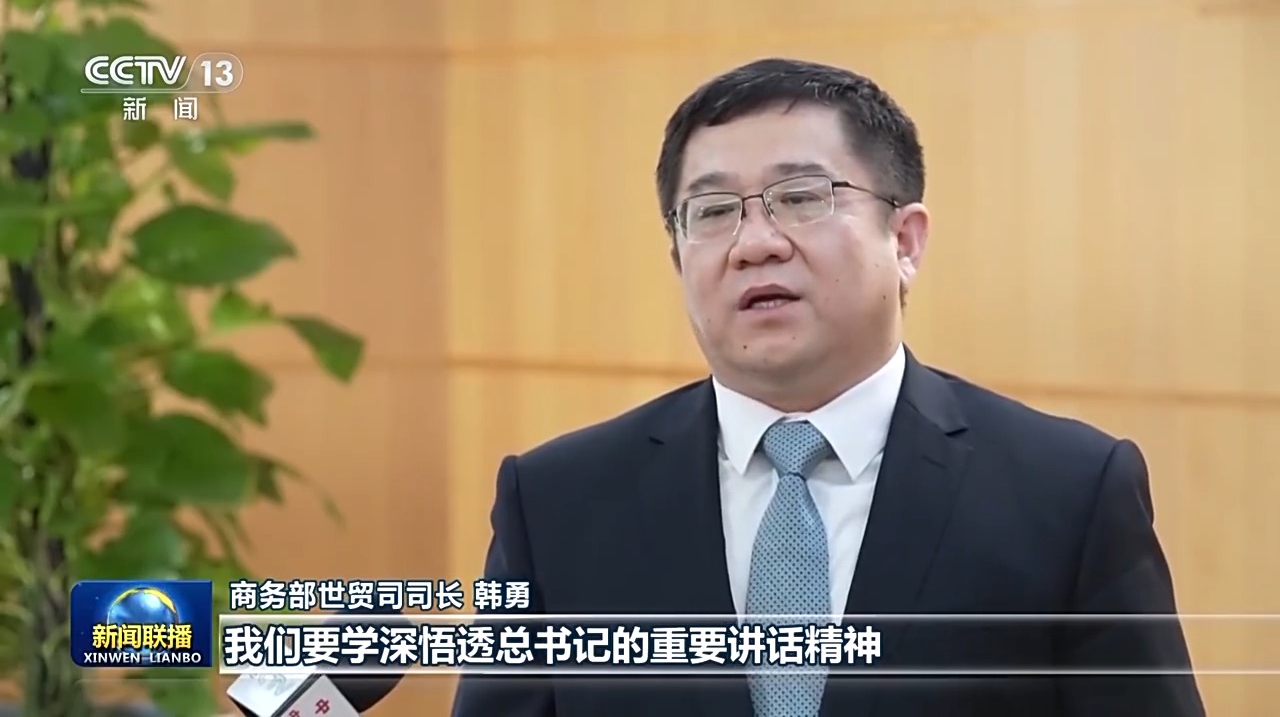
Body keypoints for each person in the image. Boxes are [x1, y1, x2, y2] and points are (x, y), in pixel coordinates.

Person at [451, 58, 1205, 717]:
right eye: (712, 213)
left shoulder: (1068, 493)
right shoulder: (554, 503)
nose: (754, 244)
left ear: (904, 241)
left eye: (802, 197)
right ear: (678, 258)